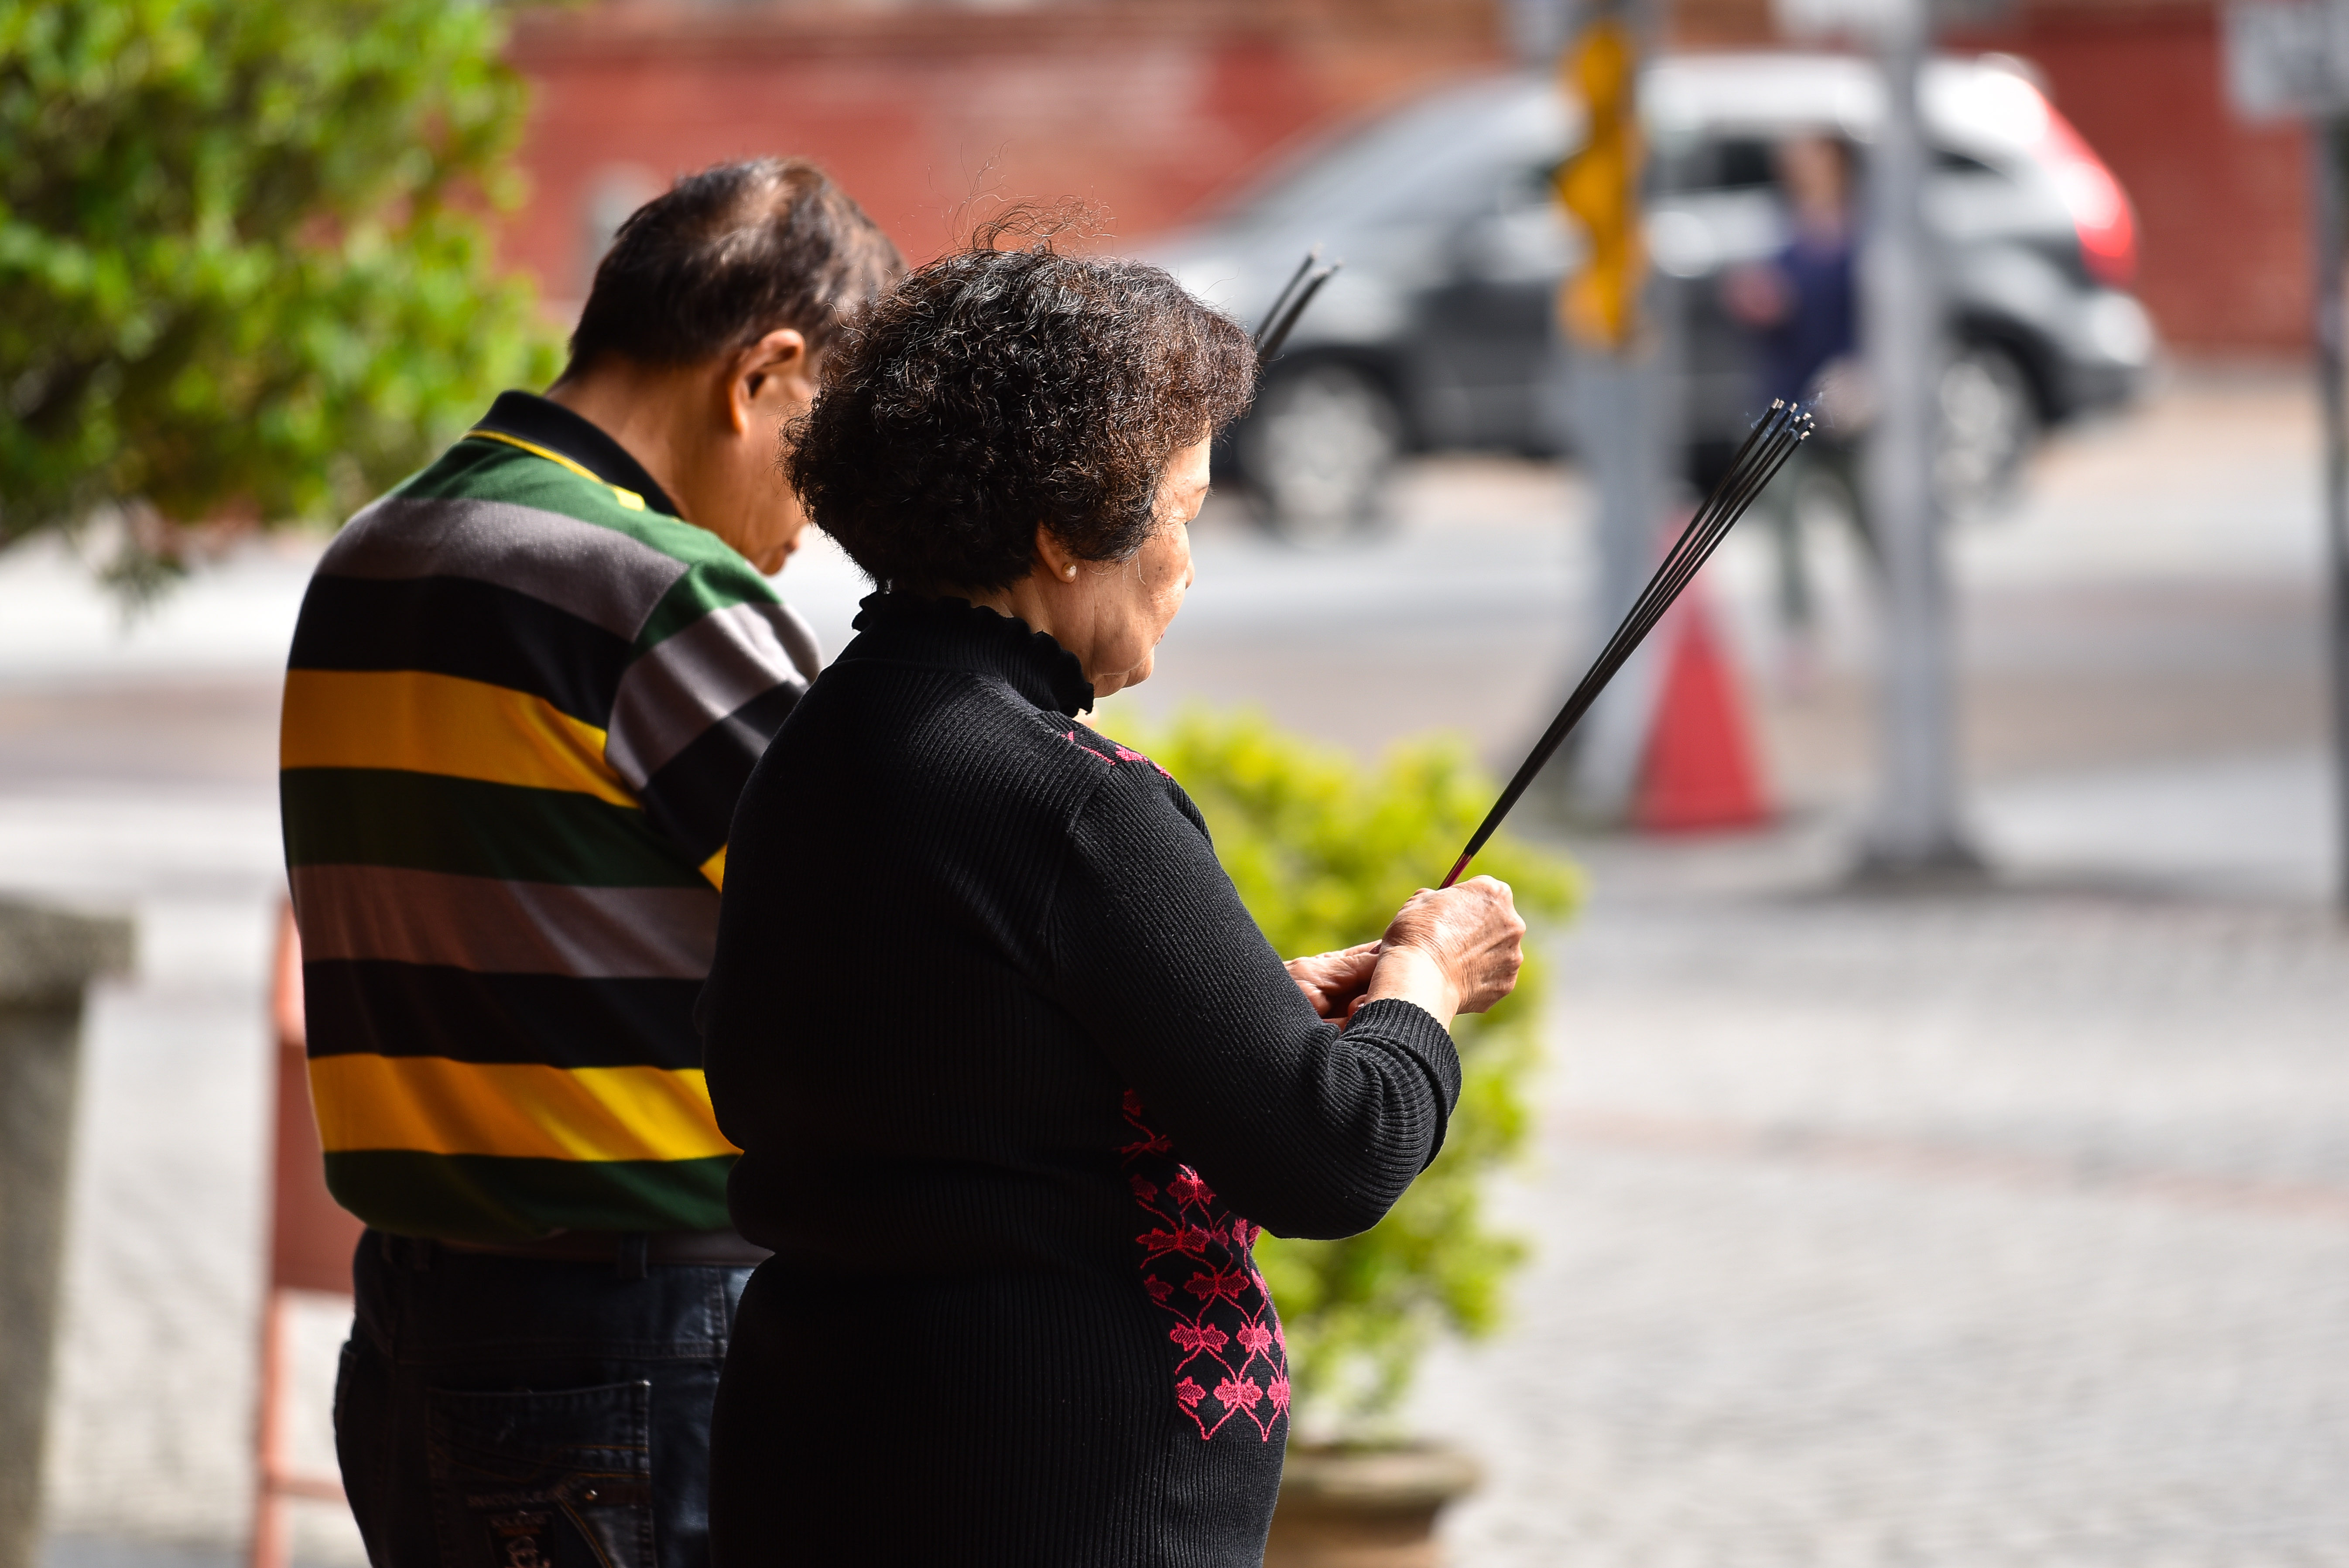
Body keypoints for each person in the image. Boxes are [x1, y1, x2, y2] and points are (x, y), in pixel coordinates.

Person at [697, 236, 1529, 1565]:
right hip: (1050, 1496)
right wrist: (1421, 982)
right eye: (1181, 512)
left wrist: (1248, 1004)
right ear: (1058, 528)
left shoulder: (826, 742)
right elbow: (1334, 1149)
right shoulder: (1072, 799)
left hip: (825, 1455)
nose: (1189, 563)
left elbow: (951, 1064)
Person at [277, 157, 900, 1566]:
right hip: (641, 1341)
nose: (817, 529)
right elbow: (896, 926)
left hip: (413, 1332)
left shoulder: (364, 564)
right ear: (765, 375)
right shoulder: (654, 592)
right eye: (830, 454)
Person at [1720, 133, 1864, 657]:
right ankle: (1796, 631)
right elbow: (1765, 308)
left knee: (1866, 513)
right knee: (1782, 519)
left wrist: (1863, 370)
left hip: (1845, 402)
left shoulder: (1862, 232)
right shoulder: (1777, 226)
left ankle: (1898, 616)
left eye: (1812, 158)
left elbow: (1874, 315)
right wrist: (1759, 304)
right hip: (1783, 400)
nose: (1801, 169)